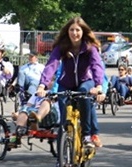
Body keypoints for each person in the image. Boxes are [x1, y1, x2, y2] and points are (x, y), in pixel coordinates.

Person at [35, 16, 106, 149]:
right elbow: (51, 65)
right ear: (67, 31)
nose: (74, 33)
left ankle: (86, 136)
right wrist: (42, 85)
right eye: (71, 30)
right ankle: (61, 161)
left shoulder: (90, 48)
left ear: (83, 31)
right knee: (64, 121)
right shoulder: (62, 47)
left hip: (86, 81)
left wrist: (99, 86)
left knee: (84, 94)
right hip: (66, 83)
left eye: (77, 30)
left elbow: (96, 66)